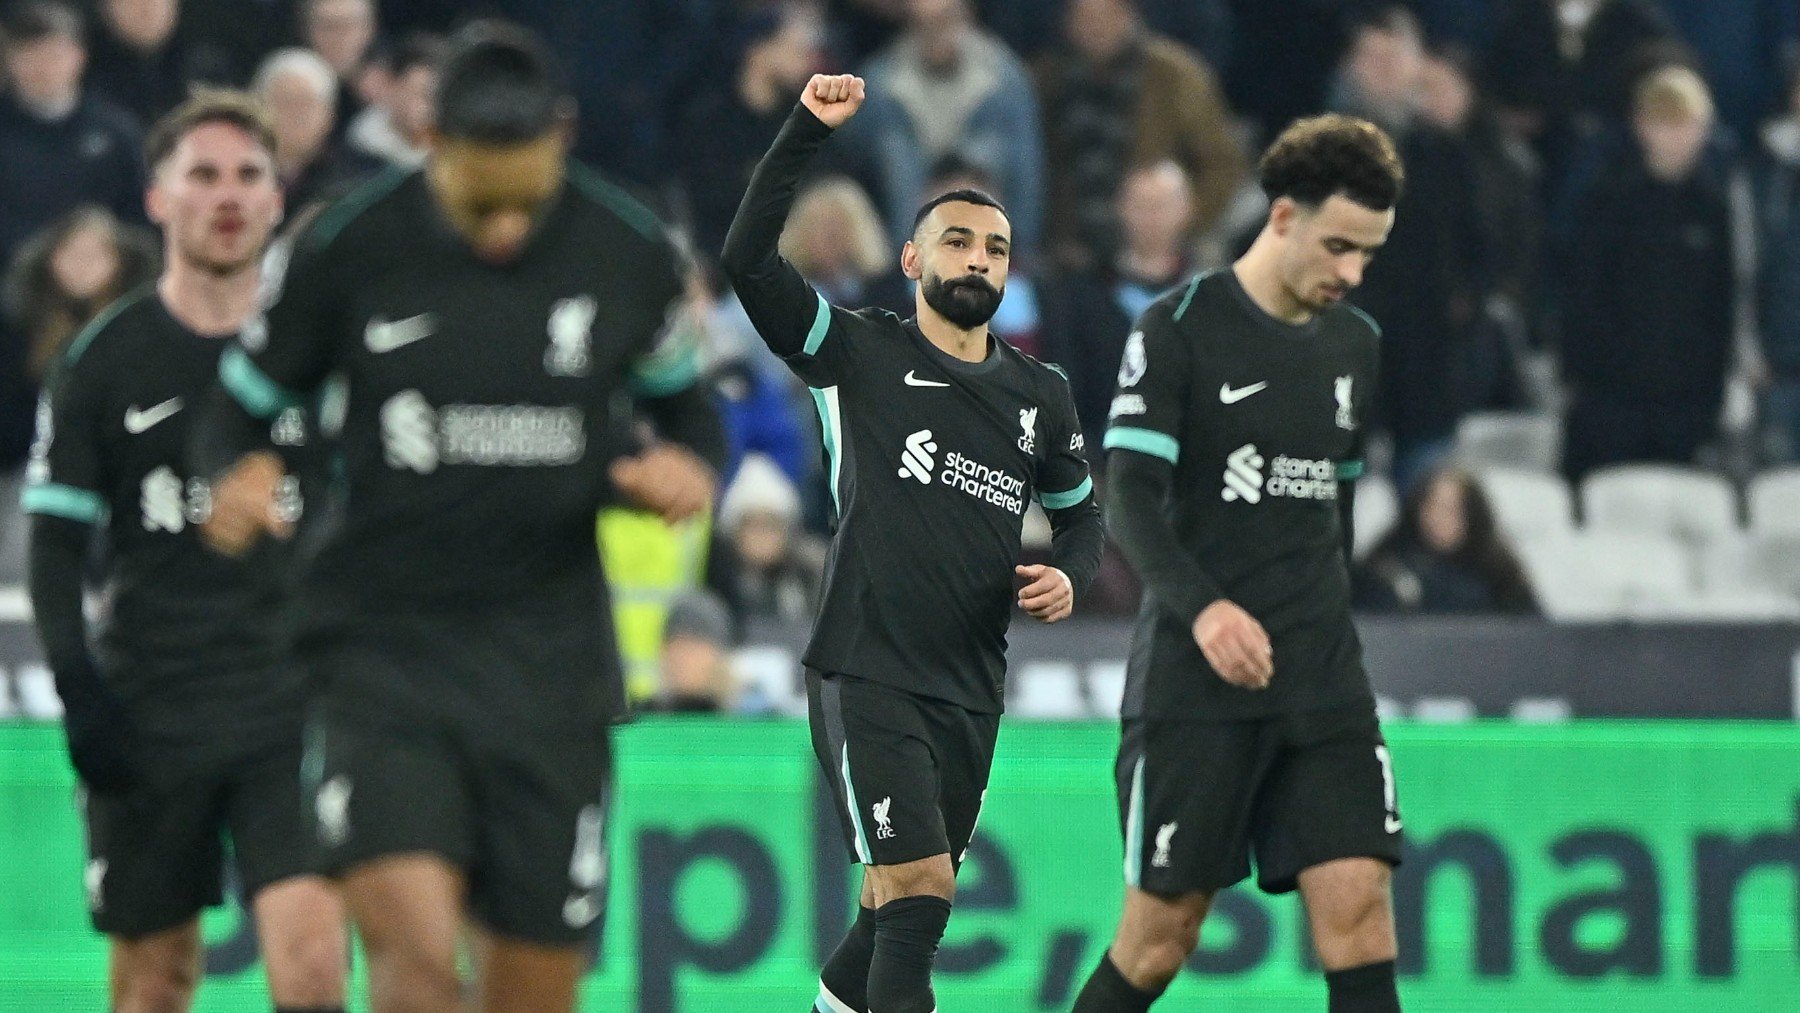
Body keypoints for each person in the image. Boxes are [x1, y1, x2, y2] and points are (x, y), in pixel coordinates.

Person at [188, 22, 724, 1013]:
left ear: (563, 138)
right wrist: (233, 476)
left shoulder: (629, 252)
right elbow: (238, 409)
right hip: (383, 651)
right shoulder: (349, 245)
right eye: (483, 201)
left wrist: (688, 465)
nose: (506, 230)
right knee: (417, 969)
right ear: (430, 140)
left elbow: (690, 406)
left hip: (549, 664)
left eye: (527, 199)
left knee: (532, 991)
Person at [722, 73, 1105, 1013]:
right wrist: (808, 131)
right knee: (923, 889)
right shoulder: (854, 353)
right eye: (959, 241)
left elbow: (1085, 517)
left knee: (894, 901)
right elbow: (744, 259)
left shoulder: (1040, 394)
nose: (979, 259)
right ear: (909, 258)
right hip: (867, 664)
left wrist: (1068, 573)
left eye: (997, 249)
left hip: (970, 681)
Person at [22, 88, 347, 1013]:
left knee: (314, 972)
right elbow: (53, 545)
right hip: (153, 701)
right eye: (202, 175)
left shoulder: (322, 355)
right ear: (158, 199)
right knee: (153, 984)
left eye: (250, 174)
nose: (228, 195)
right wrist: (80, 691)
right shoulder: (103, 360)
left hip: (295, 701)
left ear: (279, 198)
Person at [1075, 113, 1406, 1012]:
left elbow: (1331, 514)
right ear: (1284, 216)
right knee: (1159, 937)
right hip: (1196, 678)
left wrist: (1323, 627)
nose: (1351, 273)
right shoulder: (1179, 325)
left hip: (1320, 671)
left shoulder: (1355, 345)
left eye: (1369, 254)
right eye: (1339, 246)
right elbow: (1131, 498)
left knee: (1361, 913)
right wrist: (1209, 609)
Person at [1559, 65, 1734, 480]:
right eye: (1663, 123)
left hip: (1685, 408)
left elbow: (1721, 306)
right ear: (1641, 126)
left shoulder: (1714, 209)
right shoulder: (1607, 201)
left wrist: (1710, 395)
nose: (1675, 136)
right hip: (1611, 404)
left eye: (1685, 124)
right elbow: (1583, 297)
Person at [1034, 0, 1244, 271]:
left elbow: (1222, 162)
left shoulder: (1175, 75)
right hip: (1069, 251)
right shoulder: (1044, 79)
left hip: (1160, 253)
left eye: (1106, 15)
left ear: (1129, 14)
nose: (1095, 26)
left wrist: (1177, 223)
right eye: (1084, 17)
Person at [0, 0, 145, 276]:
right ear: (11, 61)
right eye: (30, 54)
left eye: (53, 54)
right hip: (13, 283)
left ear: (79, 56)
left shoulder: (115, 132)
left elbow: (137, 212)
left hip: (106, 279)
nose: (43, 67)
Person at [1353, 466, 1539, 614]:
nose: (1438, 518)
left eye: (1451, 509)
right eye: (1431, 506)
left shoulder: (1500, 577)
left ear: (1473, 516)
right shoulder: (1385, 569)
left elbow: (1533, 637)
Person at [253, 47, 381, 213]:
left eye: (306, 104)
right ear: (257, 108)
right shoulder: (237, 172)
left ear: (329, 115)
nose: (295, 114)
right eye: (284, 101)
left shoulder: (362, 178)